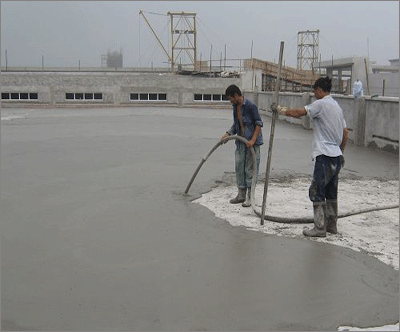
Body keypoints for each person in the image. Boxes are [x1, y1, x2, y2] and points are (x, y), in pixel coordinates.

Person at [271, 76, 348, 237]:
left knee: (317, 190)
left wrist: (280, 110)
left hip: (324, 154)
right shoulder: (336, 106)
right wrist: (341, 151)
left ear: (319, 90)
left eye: (315, 91)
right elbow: (345, 131)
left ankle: (319, 227)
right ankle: (332, 225)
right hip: (336, 155)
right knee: (331, 192)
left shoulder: (321, 104)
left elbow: (300, 113)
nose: (315, 94)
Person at [221, 85, 264, 207]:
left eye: (231, 99)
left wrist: (253, 140)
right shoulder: (235, 107)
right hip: (240, 142)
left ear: (236, 95)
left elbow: (259, 124)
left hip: (251, 144)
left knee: (250, 170)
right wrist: (228, 133)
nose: (230, 102)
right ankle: (241, 195)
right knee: (239, 167)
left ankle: (250, 196)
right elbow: (237, 124)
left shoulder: (250, 106)